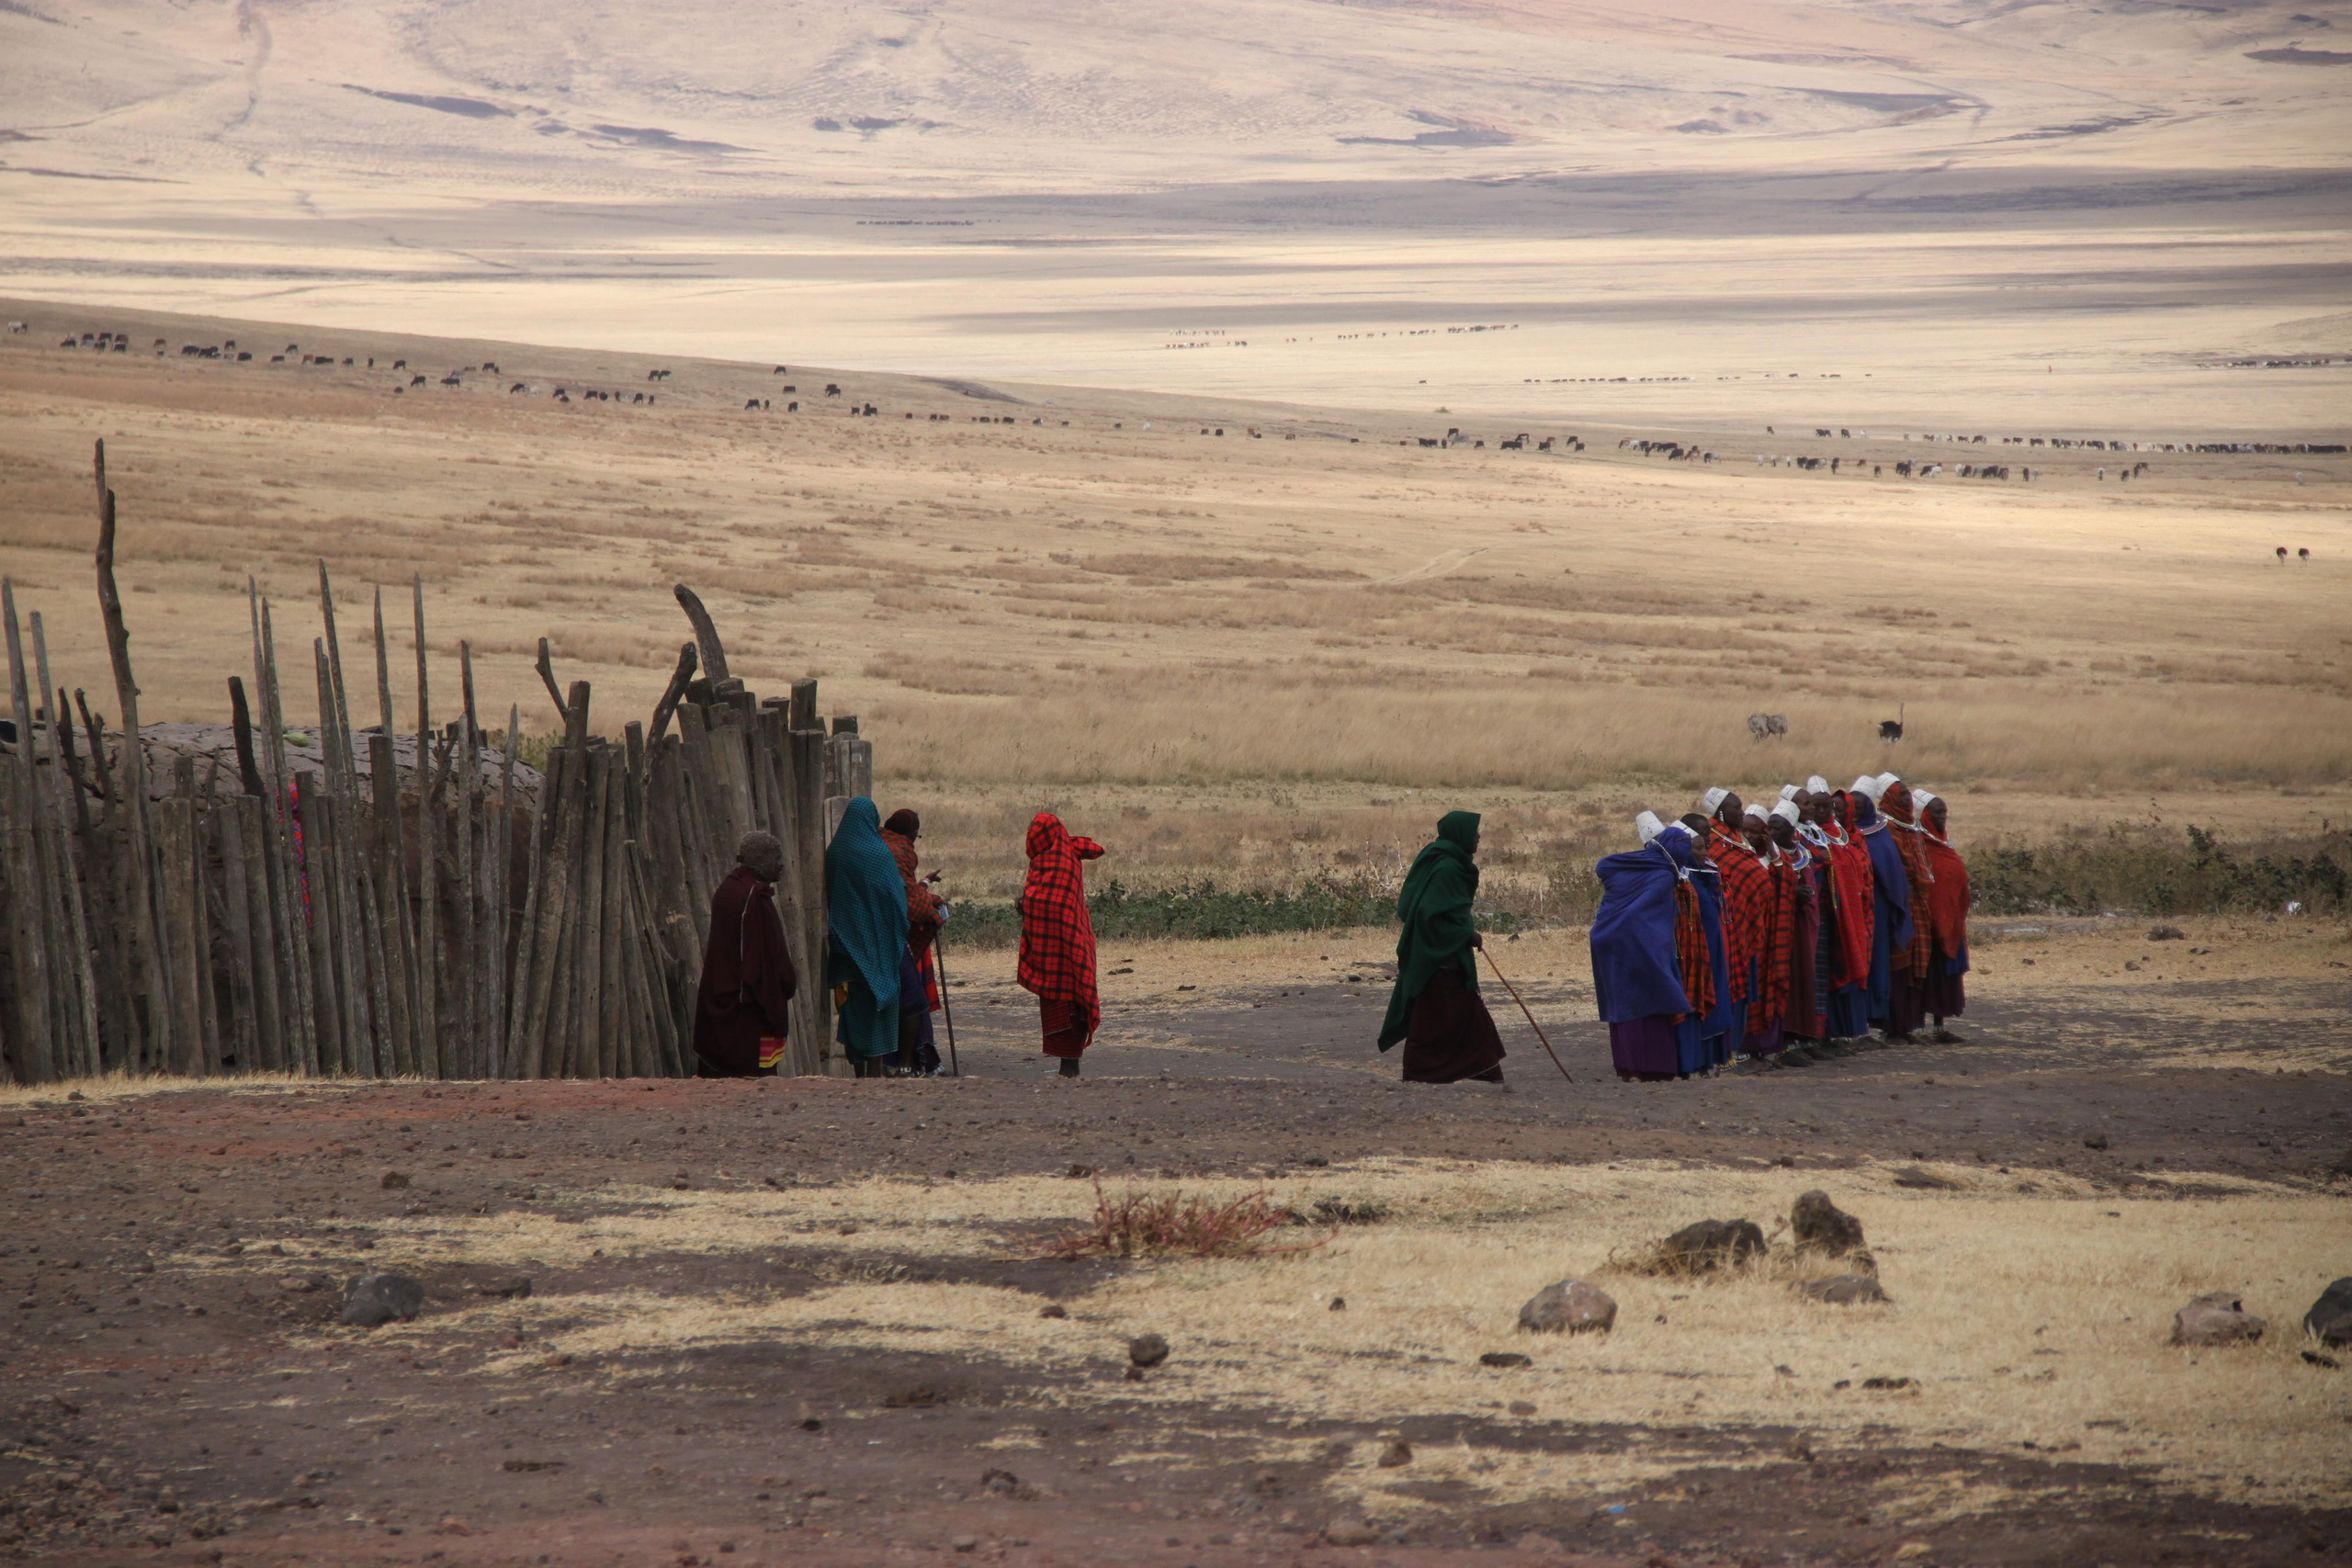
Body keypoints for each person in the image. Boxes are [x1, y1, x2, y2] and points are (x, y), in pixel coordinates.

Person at [1378, 810, 1506, 1084]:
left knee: (1467, 1020)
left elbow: (1446, 911)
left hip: (1446, 959)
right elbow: (1428, 914)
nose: (1478, 837)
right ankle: (1417, 1074)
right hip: (1437, 962)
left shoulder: (1449, 863)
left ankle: (1487, 1071)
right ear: (1461, 836)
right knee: (1433, 1024)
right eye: (1474, 833)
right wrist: (1465, 934)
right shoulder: (1446, 868)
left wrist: (1463, 934)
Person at [1591, 811, 1714, 1081]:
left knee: (1623, 1005)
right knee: (1650, 1004)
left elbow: (1604, 869)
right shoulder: (1662, 876)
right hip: (1640, 948)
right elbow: (1642, 917)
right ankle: (1652, 1068)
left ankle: (1627, 1067)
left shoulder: (1634, 864)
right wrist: (1660, 959)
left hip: (1607, 941)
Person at [691, 831, 798, 1078]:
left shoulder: (727, 889)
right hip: (746, 1009)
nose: (782, 864)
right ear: (761, 860)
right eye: (777, 858)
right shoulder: (755, 899)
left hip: (718, 998)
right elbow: (772, 959)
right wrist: (786, 984)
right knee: (752, 1083)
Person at [825, 798, 909, 1077]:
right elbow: (895, 897)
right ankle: (876, 1069)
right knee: (879, 1009)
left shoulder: (834, 853)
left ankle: (859, 1071)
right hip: (879, 946)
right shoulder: (878, 853)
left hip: (845, 948)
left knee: (851, 1010)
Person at [1018, 811, 1104, 1077]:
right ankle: (1067, 1066)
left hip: (1068, 943)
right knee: (1063, 1001)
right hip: (1058, 947)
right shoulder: (1058, 854)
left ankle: (1070, 1067)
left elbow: (1051, 902)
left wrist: (1025, 904)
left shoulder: (1059, 861)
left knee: (1071, 1000)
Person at [880, 808, 948, 1076]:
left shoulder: (883, 844)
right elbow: (909, 901)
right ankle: (908, 1063)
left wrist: (924, 884)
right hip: (894, 938)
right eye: (914, 835)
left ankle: (908, 1062)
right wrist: (932, 907)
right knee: (913, 1001)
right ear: (908, 834)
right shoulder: (900, 852)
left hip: (880, 935)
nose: (914, 841)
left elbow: (904, 888)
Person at [1849, 774, 1917, 1043]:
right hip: (1855, 908)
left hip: (1880, 909)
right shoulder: (1841, 834)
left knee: (1879, 963)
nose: (1853, 810)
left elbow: (1892, 870)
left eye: (1858, 805)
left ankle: (1881, 1019)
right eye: (1849, 805)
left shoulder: (1879, 831)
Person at [1818, 784, 1877, 1043]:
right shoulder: (1815, 838)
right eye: (1832, 808)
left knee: (1855, 966)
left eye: (1837, 809)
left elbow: (1864, 872)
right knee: (1832, 971)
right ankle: (1834, 1032)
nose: (1835, 813)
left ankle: (1854, 1029)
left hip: (1857, 912)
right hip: (1832, 916)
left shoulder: (1852, 838)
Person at [1916, 791, 1971, 1042]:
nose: (1942, 817)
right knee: (1924, 976)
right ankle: (1916, 1028)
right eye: (1937, 812)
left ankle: (1938, 1028)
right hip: (1927, 922)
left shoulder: (1944, 842)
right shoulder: (1919, 843)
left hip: (1950, 920)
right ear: (1926, 814)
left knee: (1944, 977)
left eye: (1945, 812)